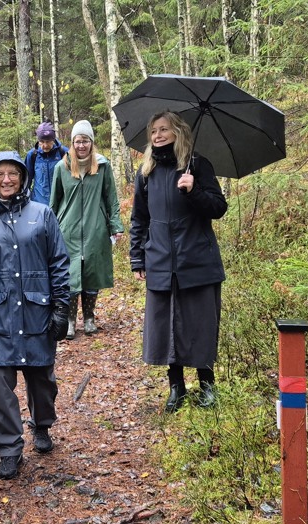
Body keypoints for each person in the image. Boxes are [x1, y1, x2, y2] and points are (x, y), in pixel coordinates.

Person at [0, 151, 71, 480]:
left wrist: (61, 306)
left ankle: (41, 425)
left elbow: (58, 262)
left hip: (36, 312)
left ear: (23, 178)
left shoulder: (43, 214)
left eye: (13, 174)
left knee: (42, 381)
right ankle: (9, 448)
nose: (6, 180)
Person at [129, 111, 228, 412]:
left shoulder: (198, 166)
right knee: (167, 325)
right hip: (160, 258)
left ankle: (207, 386)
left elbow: (218, 207)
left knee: (199, 323)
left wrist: (194, 189)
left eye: (164, 130)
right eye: (154, 130)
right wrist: (137, 258)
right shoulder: (146, 173)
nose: (157, 135)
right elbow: (139, 219)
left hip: (196, 258)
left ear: (178, 132)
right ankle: (177, 388)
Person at [49, 120, 124, 339]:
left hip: (95, 228)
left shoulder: (102, 166)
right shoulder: (61, 167)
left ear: (91, 143)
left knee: (92, 273)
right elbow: (54, 201)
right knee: (71, 276)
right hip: (68, 230)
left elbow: (111, 198)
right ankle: (71, 321)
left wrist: (115, 226)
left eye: (85, 141)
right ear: (72, 143)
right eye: (77, 141)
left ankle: (89, 318)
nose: (81, 145)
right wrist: (49, 228)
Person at [25, 121, 67, 206]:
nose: (45, 145)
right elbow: (26, 181)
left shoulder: (64, 153)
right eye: (42, 141)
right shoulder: (32, 155)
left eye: (48, 141)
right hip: (38, 204)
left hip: (60, 203)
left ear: (53, 139)